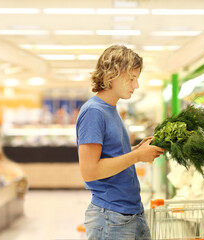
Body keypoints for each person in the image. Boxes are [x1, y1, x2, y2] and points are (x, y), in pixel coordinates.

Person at [76, 45, 165, 240]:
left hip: (130, 212)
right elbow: (89, 171)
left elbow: (110, 154)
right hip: (111, 218)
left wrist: (137, 149)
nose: (136, 86)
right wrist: (137, 156)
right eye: (131, 78)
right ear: (112, 75)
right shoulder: (94, 112)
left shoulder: (111, 109)